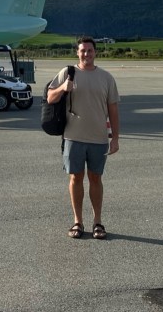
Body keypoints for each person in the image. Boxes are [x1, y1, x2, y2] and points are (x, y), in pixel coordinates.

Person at [46, 37, 120, 240]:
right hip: (73, 136)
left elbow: (113, 110)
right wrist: (63, 88)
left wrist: (115, 138)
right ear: (77, 53)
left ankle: (97, 222)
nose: (86, 54)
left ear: (95, 52)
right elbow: (50, 97)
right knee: (75, 178)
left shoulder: (106, 78)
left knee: (96, 178)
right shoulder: (67, 72)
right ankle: (77, 221)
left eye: (89, 50)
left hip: (99, 138)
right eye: (83, 50)